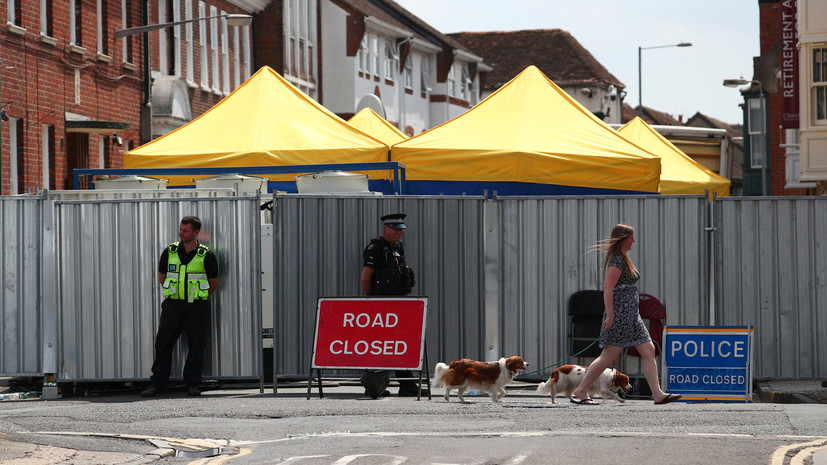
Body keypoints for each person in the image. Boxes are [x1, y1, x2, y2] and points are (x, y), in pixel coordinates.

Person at [571, 224, 681, 405]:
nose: (634, 241)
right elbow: (607, 288)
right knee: (608, 356)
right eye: (631, 237)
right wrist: (611, 316)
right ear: (623, 239)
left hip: (632, 316)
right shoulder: (618, 261)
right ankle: (581, 390)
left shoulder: (624, 258)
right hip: (621, 316)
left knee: (649, 350)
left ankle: (657, 394)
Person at [141, 216, 219, 398]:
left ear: (196, 232)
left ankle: (192, 384)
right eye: (180, 229)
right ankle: (158, 384)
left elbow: (213, 283)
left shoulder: (206, 255)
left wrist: (196, 296)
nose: (180, 233)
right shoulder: (169, 251)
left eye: (185, 230)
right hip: (173, 306)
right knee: (163, 344)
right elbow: (162, 278)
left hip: (196, 307)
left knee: (196, 346)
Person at [359, 213, 425, 398]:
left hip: (398, 304)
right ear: (386, 228)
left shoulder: (397, 248)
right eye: (395, 229)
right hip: (381, 305)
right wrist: (371, 302)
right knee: (380, 346)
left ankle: (408, 386)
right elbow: (366, 278)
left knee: (399, 344)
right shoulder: (376, 248)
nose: (398, 233)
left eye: (400, 230)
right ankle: (373, 386)